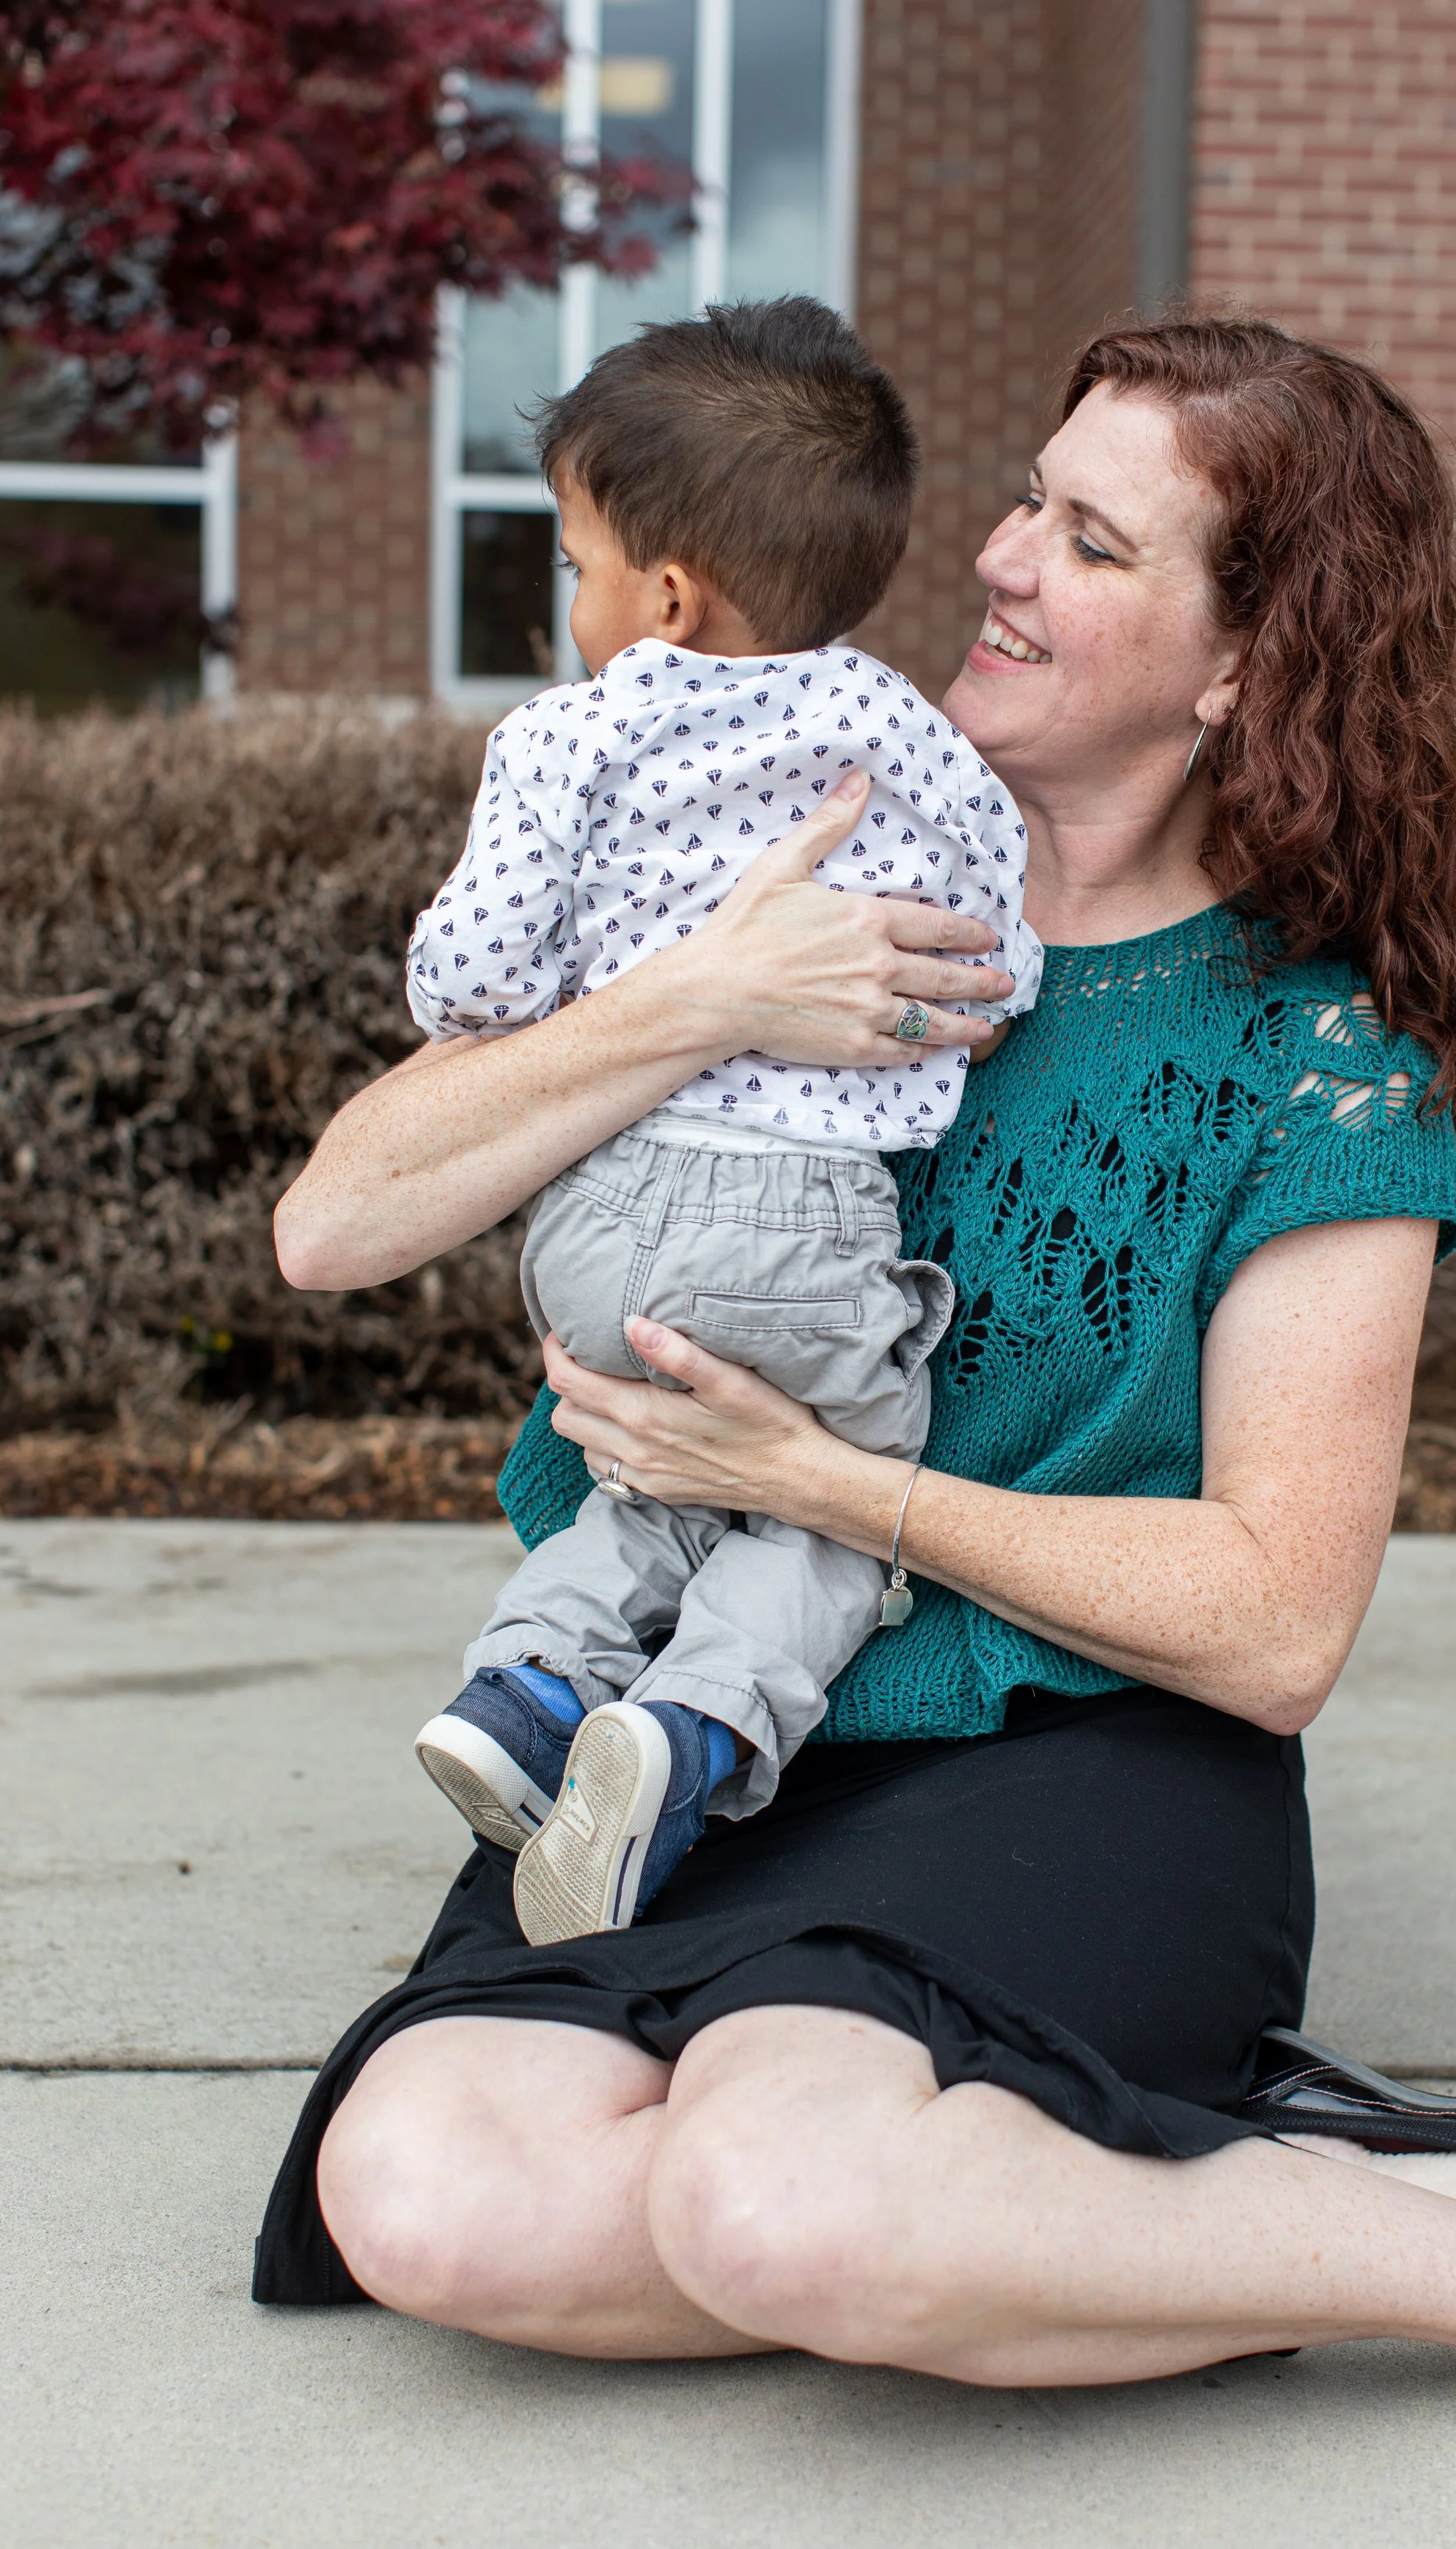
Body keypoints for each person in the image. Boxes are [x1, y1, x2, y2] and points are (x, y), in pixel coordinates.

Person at [256, 315, 1456, 2446]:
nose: (996, 556)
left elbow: (1275, 1619)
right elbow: (332, 1223)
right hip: (675, 1737)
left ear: (1244, 662)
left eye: (1088, 537)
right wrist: (704, 995)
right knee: (430, 2194)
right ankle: (1126, 2198)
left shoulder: (1302, 1059)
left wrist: (830, 1482)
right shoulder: (762, 847)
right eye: (1023, 497)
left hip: (1072, 1755)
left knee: (778, 2194)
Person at [405, 297, 1040, 1944]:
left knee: (650, 1489)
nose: (573, 599)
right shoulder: (910, 732)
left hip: (601, 1217)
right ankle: (687, 1731)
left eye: (571, 562)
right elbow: (999, 957)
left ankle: (531, 1690)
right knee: (829, 1488)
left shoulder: (565, 732)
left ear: (664, 594)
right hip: (815, 1220)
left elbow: (470, 976)